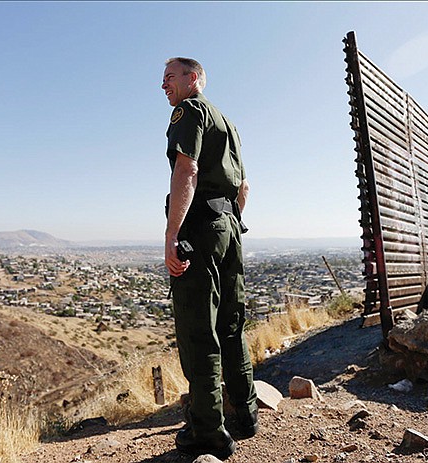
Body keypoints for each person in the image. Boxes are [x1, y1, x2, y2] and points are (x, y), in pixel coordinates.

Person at [161, 57, 258, 460]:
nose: (163, 85)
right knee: (232, 322)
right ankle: (246, 411)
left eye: (170, 77)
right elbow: (245, 187)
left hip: (201, 227)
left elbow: (187, 168)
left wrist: (171, 232)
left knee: (199, 328)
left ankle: (207, 432)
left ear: (193, 78)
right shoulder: (228, 123)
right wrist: (229, 223)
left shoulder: (191, 111)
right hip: (230, 228)